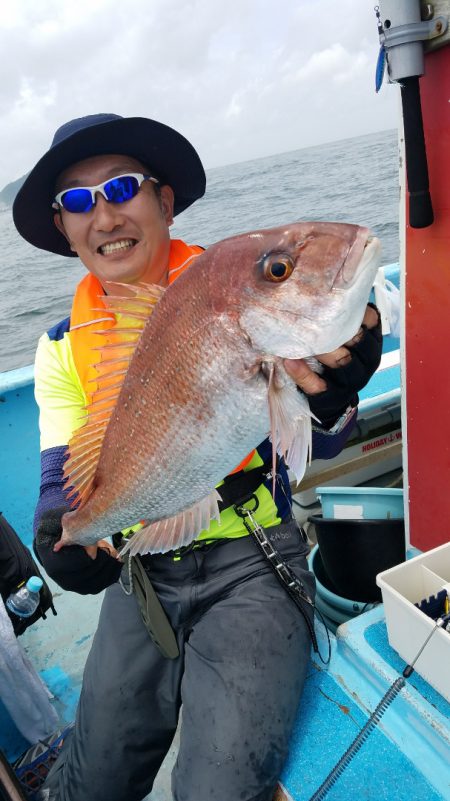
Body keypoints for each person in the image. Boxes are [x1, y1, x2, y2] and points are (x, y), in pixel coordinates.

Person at [12, 113, 382, 801]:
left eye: (122, 186)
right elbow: (61, 480)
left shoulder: (239, 290)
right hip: (142, 571)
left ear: (165, 200)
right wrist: (65, 528)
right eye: (77, 201)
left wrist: (336, 389)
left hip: (254, 561)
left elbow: (318, 441)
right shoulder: (61, 347)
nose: (104, 214)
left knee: (217, 788)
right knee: (89, 784)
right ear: (63, 229)